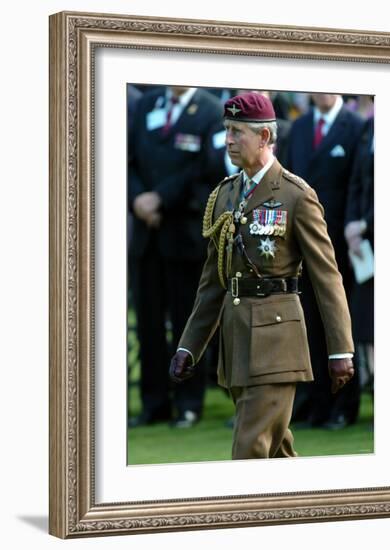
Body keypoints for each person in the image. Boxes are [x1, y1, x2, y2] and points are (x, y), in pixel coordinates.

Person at [169, 91, 354, 459]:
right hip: (236, 347)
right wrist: (189, 344)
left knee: (249, 452)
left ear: (265, 137)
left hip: (277, 347)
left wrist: (340, 349)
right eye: (227, 130)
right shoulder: (224, 194)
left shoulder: (296, 195)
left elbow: (326, 276)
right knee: (276, 455)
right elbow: (213, 282)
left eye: (238, 131)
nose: (229, 140)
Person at [128, 85, 224, 428]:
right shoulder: (146, 104)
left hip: (183, 234)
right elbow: (127, 159)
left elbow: (207, 171)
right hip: (145, 234)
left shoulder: (212, 110)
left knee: (187, 323)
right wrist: (138, 199)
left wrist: (161, 199)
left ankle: (188, 402)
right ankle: (154, 404)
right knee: (149, 324)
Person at [286, 93, 364, 429]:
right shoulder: (300, 127)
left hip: (338, 246)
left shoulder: (355, 127)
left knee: (340, 325)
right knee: (309, 326)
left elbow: (357, 185)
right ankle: (318, 405)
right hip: (300, 245)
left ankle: (344, 406)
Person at [345, 116, 374, 392]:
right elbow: (356, 182)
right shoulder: (369, 127)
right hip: (364, 246)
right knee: (366, 327)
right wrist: (351, 225)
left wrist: (365, 222)